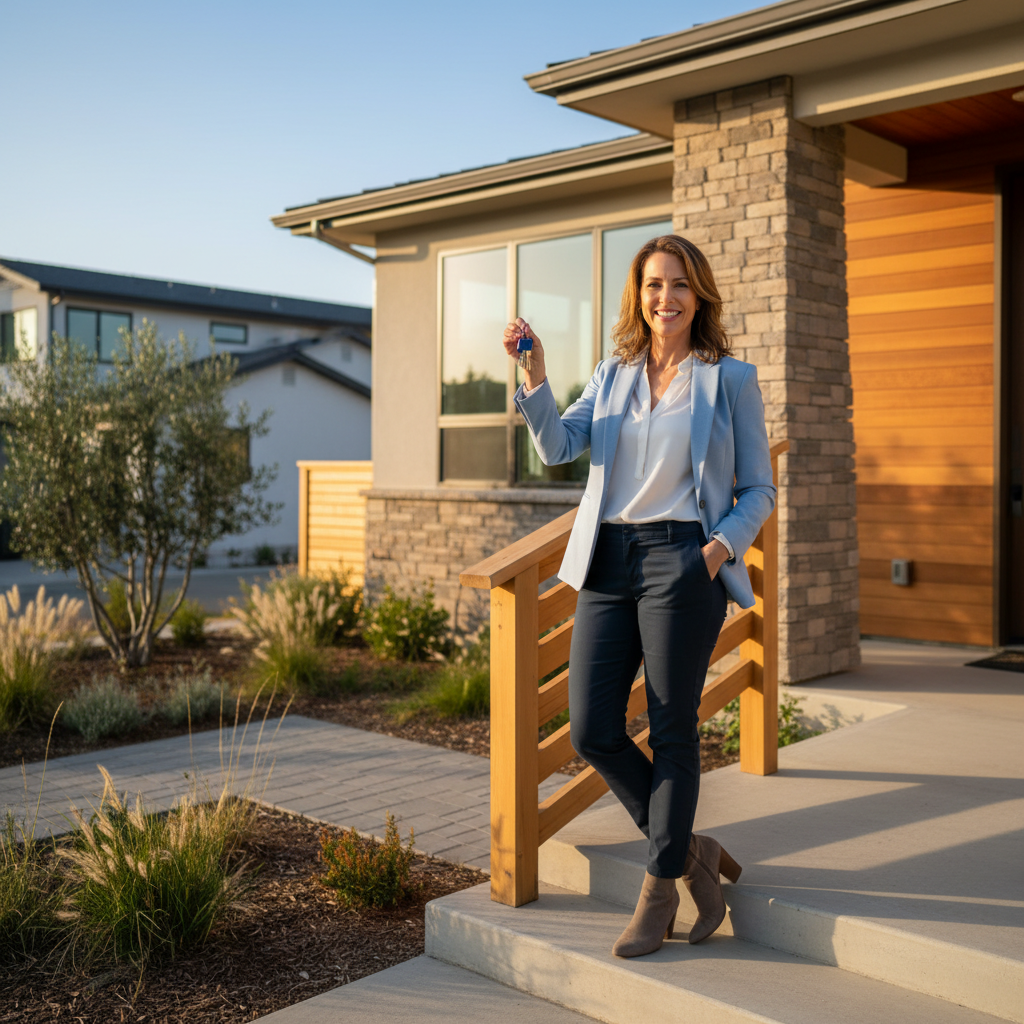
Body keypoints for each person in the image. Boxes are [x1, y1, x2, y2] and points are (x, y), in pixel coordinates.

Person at [503, 234, 775, 958]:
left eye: (680, 285)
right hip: (608, 560)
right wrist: (534, 376)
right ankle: (693, 852)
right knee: (592, 728)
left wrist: (715, 550)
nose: (667, 298)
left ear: (700, 294)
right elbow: (560, 447)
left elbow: (759, 488)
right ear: (639, 295)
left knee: (672, 726)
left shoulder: (732, 379)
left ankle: (659, 890)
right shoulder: (613, 372)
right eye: (654, 285)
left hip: (682, 558)